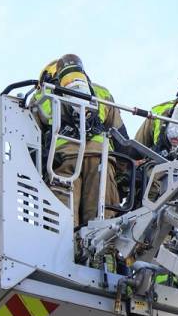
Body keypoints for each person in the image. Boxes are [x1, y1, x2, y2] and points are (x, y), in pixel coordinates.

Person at [29, 54, 126, 228]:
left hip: (62, 163)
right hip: (101, 161)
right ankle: (104, 254)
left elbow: (29, 140)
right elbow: (122, 139)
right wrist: (123, 176)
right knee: (102, 224)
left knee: (63, 223)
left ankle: (63, 252)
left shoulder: (40, 97)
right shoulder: (102, 93)